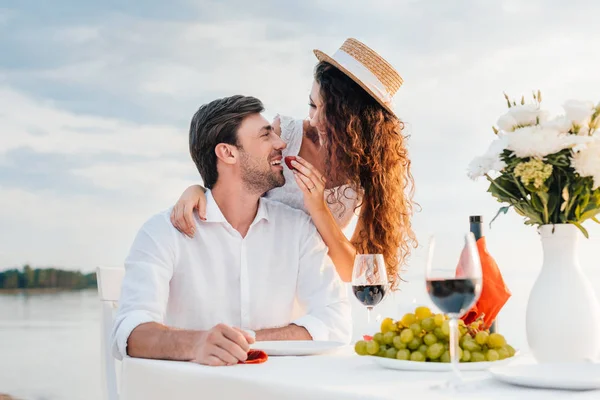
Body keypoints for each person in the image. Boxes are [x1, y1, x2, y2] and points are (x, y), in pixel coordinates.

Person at [111, 95, 351, 366]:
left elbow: (335, 320)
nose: (281, 143)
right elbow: (129, 331)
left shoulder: (298, 230)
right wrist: (197, 343)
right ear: (227, 153)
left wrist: (246, 340)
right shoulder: (164, 232)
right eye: (265, 136)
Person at [171, 38, 417, 289]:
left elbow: (355, 272)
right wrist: (197, 190)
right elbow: (232, 179)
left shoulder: (371, 174)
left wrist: (319, 208)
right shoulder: (285, 135)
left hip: (308, 290)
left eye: (331, 113)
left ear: (361, 122)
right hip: (248, 278)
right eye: (312, 105)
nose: (316, 120)